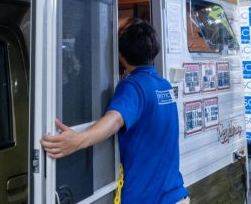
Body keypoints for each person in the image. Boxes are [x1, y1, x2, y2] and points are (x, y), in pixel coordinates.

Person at [41, 19, 189, 204]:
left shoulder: (133, 87)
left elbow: (115, 120)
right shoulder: (164, 86)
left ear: (120, 55)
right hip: (176, 196)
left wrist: (77, 140)